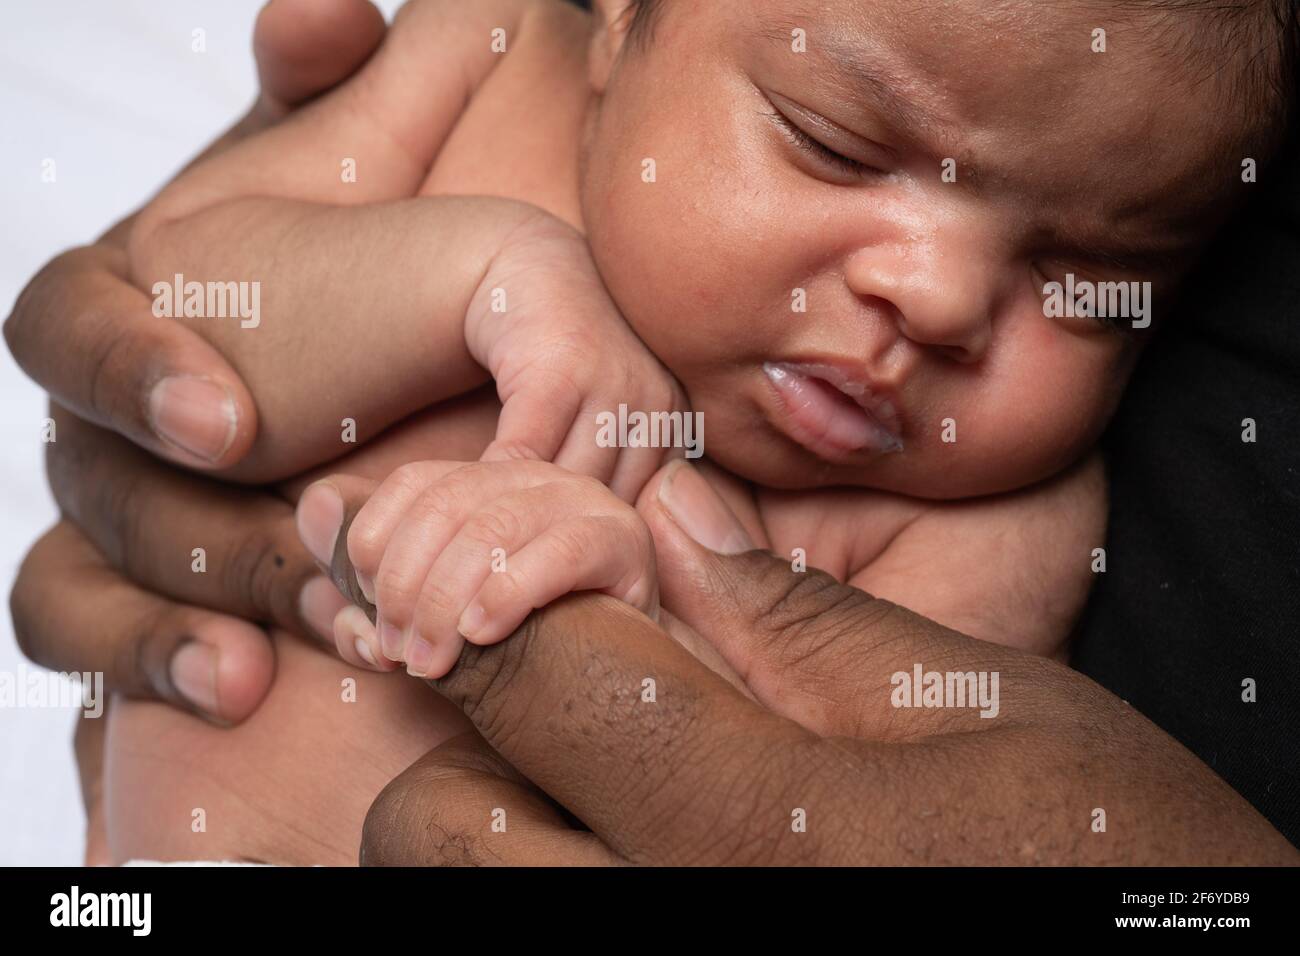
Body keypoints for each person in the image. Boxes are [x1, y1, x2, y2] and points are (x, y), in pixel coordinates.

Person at [7, 0, 1297, 863]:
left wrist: (632, 602)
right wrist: (486, 277)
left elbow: (850, 815)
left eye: (1086, 277)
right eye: (837, 146)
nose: (943, 297)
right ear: (621, 21)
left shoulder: (1000, 515)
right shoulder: (491, 56)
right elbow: (175, 308)